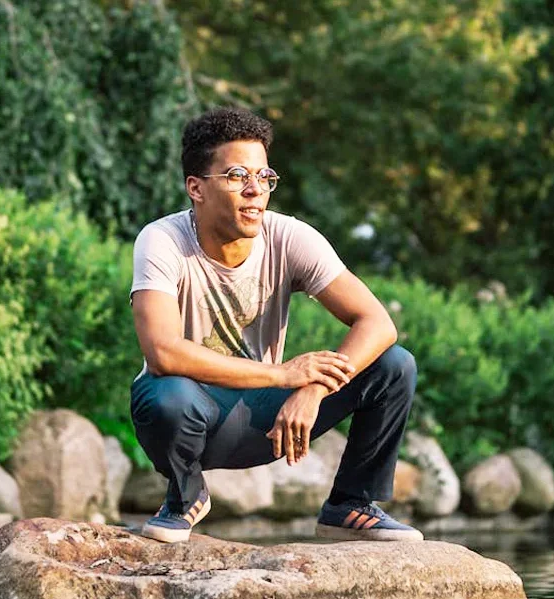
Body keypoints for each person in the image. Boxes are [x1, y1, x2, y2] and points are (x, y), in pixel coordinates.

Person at [129, 107, 422, 544]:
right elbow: (162, 350)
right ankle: (184, 496)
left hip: (267, 422)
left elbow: (377, 323)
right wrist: (282, 374)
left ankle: (350, 505)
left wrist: (312, 389)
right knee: (164, 394)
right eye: (236, 176)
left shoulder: (289, 237)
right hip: (194, 416)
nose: (254, 190)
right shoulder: (163, 241)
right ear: (196, 188)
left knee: (393, 366)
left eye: (264, 177)